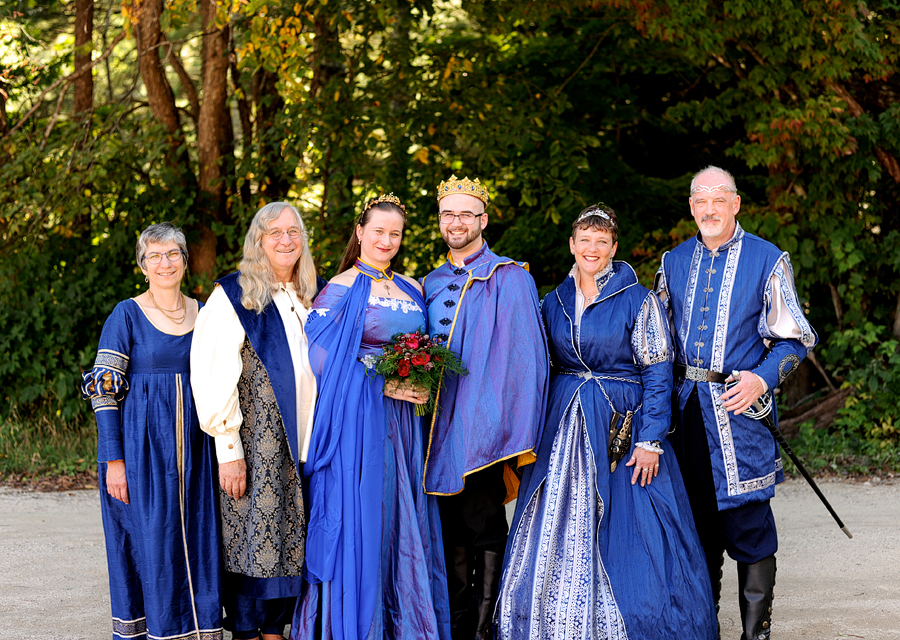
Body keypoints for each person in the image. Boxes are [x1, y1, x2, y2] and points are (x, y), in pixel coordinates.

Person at [494, 204, 717, 639]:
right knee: (548, 523)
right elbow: (531, 364)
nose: (592, 248)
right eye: (585, 240)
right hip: (562, 425)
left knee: (636, 530)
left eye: (602, 241)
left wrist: (650, 439)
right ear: (572, 245)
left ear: (614, 247)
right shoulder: (552, 301)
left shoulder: (638, 299)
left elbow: (657, 372)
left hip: (622, 424)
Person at [655, 166, 818, 640]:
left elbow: (794, 341)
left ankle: (755, 635)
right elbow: (657, 346)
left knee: (749, 527)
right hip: (683, 415)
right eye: (700, 200)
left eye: (718, 199)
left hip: (738, 411)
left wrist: (761, 380)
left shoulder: (768, 259)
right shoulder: (673, 262)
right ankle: (704, 630)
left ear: (735, 204)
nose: (709, 208)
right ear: (691, 207)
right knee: (696, 531)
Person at [293, 194, 450, 640]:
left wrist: (421, 375)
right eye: (378, 231)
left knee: (403, 513)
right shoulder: (338, 288)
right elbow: (320, 359)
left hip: (405, 422)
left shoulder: (413, 287)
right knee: (363, 513)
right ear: (360, 233)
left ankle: (407, 620)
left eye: (394, 234)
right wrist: (380, 379)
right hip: (358, 421)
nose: (386, 240)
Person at [81, 222, 223, 640]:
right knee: (152, 545)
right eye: (155, 256)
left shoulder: (205, 311)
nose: (165, 263)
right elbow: (104, 391)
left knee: (198, 538)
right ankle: (154, 632)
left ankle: (200, 629)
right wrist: (114, 460)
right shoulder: (126, 314)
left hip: (198, 450)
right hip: (144, 451)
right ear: (143, 265)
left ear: (185, 259)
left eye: (173, 254)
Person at [422, 175, 548, 640]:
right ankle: (456, 627)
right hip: (432, 429)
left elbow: (526, 358)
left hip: (485, 427)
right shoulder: (428, 282)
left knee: (483, 525)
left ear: (483, 220)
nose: (456, 222)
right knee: (448, 530)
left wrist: (502, 424)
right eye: (447, 214)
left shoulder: (510, 277)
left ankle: (483, 628)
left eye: (465, 214)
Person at [191, 202, 320, 640]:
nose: (286, 240)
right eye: (274, 232)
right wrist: (228, 450)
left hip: (310, 445)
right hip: (258, 445)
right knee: (254, 545)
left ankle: (278, 631)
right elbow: (211, 375)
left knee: (292, 545)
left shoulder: (312, 297)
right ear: (258, 241)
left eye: (294, 231)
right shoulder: (235, 295)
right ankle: (251, 632)